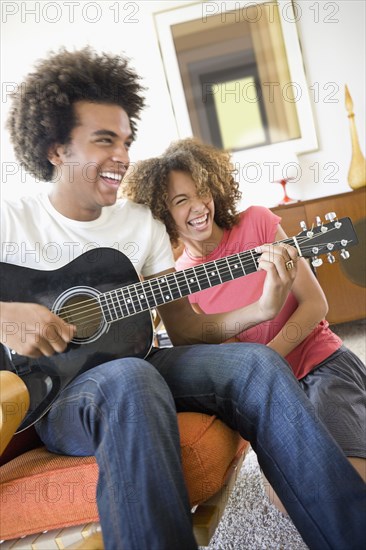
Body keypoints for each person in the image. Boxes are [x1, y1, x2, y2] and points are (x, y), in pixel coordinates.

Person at [1, 49, 365, 550]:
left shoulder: (140, 223)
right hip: (55, 396)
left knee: (254, 365)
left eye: (126, 141)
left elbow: (190, 330)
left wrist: (263, 307)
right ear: (56, 148)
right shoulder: (10, 220)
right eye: (104, 140)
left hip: (145, 363)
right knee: (130, 377)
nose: (123, 156)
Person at [123, 137, 366, 494]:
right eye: (180, 201)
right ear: (162, 214)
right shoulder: (174, 277)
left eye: (201, 191)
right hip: (269, 394)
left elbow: (316, 304)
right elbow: (222, 349)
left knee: (350, 479)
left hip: (319, 364)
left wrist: (270, 360)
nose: (198, 206)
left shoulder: (257, 223)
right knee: (290, 496)